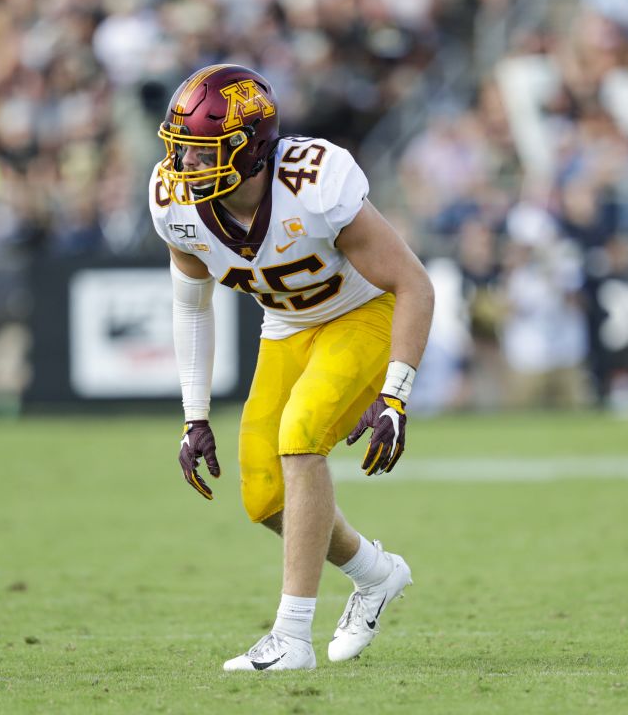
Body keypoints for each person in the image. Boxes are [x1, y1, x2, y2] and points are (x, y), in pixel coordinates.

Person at [148, 64, 435, 671]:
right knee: (262, 492)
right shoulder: (173, 201)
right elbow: (191, 307)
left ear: (249, 151)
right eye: (181, 151)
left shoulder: (316, 181)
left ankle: (291, 637)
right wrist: (193, 415)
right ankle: (375, 574)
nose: (185, 168)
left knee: (301, 437)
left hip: (364, 313)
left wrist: (396, 395)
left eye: (203, 154)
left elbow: (414, 283)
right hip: (286, 327)